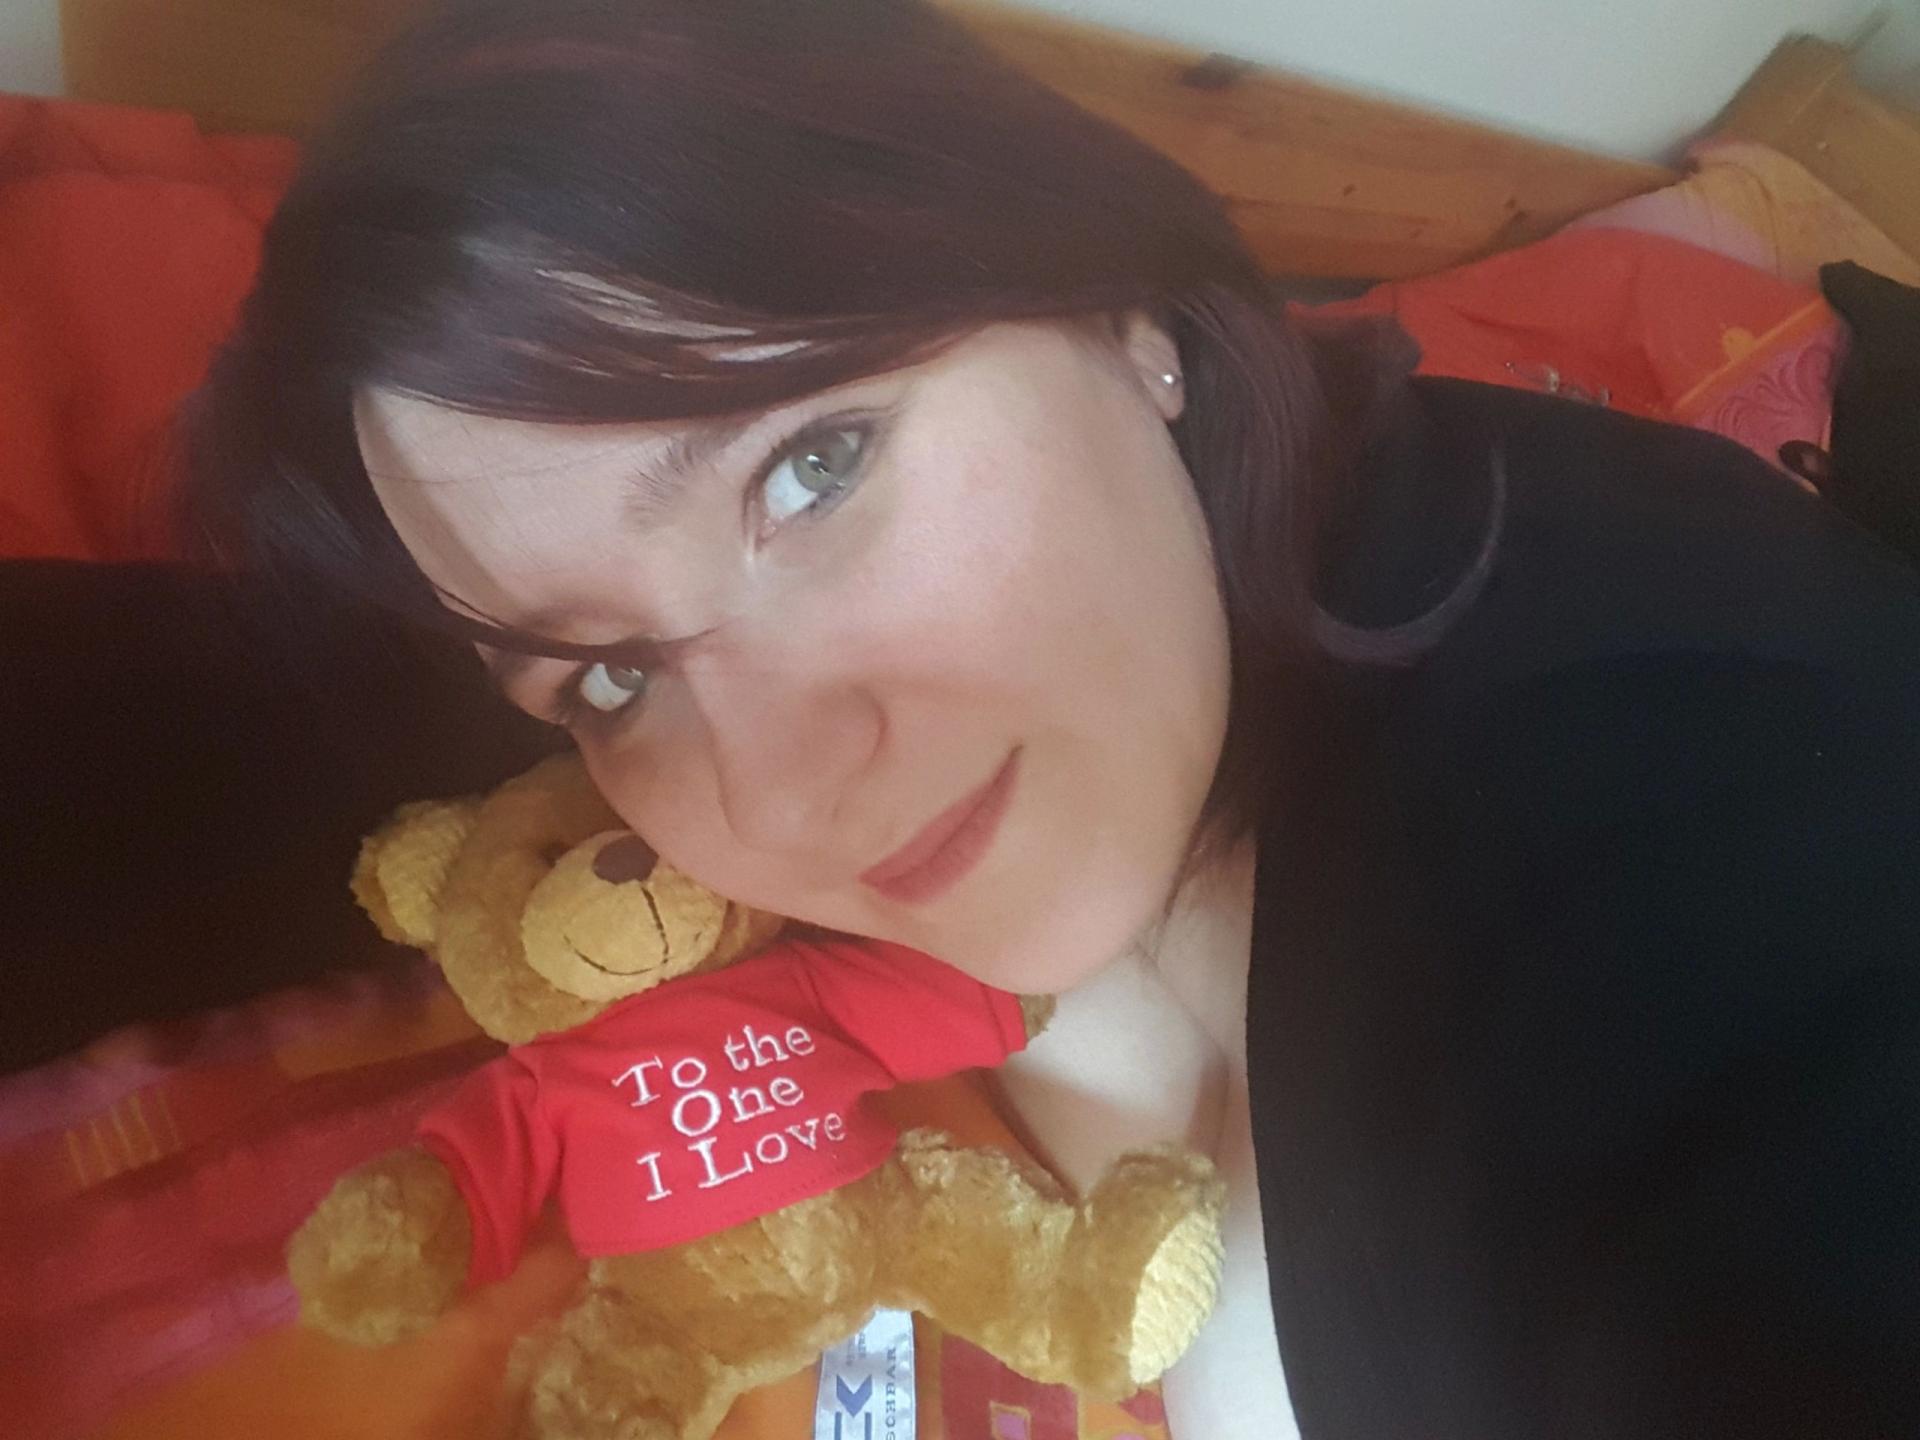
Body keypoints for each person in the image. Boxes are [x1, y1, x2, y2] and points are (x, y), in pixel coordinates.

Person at [180, 0, 1920, 1434]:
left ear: (1111, 300)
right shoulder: (1160, 663)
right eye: (611, 677)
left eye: (814, 464)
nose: (782, 800)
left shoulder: (1671, 806)